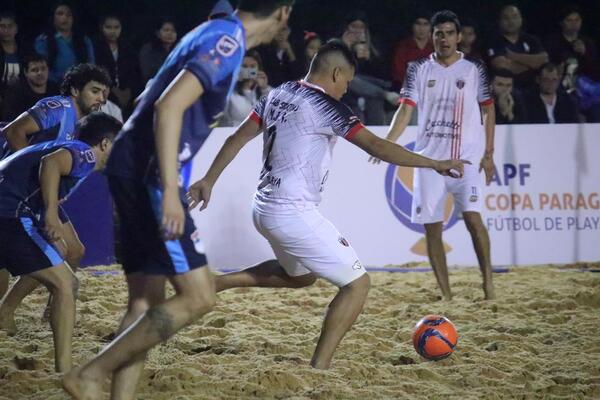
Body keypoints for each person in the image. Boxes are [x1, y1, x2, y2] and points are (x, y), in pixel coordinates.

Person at [187, 40, 466, 370]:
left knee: (300, 277)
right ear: (336, 73)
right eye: (347, 82)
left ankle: (217, 283)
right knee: (357, 285)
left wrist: (208, 179)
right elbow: (376, 147)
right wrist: (434, 163)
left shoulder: (277, 93)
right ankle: (319, 368)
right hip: (290, 211)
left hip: (263, 207)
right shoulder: (327, 106)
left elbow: (237, 138)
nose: (346, 89)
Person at [62, 2, 294, 399]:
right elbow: (169, 106)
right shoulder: (226, 40)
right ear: (283, 12)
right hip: (151, 175)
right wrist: (170, 189)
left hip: (132, 166)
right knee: (200, 296)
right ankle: (89, 374)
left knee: (143, 305)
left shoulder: (214, 31)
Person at [372, 10, 496, 301]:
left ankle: (488, 283)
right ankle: (447, 294)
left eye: (450, 33)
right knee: (432, 228)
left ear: (459, 36)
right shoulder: (418, 68)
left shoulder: (474, 68)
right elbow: (405, 109)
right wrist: (387, 143)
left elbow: (489, 109)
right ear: (432, 37)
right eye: (439, 33)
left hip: (467, 159)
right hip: (428, 160)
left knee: (474, 221)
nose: (444, 38)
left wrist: (488, 154)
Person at [0, 112, 121, 372]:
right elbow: (51, 163)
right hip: (9, 213)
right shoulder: (85, 155)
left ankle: (12, 310)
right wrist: (52, 214)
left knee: (65, 252)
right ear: (105, 144)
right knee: (67, 284)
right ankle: (65, 370)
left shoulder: (67, 147)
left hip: (11, 207)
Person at [0, 63, 110, 335]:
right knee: (56, 252)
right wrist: (30, 178)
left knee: (74, 250)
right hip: (15, 194)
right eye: (95, 91)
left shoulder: (79, 125)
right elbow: (14, 131)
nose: (101, 99)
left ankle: (52, 310)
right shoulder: (58, 106)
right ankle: (8, 311)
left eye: (104, 94)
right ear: (74, 90)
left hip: (34, 194)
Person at [486, 5, 548, 90]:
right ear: (499, 21)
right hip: (506, 89)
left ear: (521, 19)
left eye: (514, 17)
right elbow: (502, 66)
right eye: (506, 18)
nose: (511, 21)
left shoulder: (531, 40)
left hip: (533, 89)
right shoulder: (493, 41)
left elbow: (544, 60)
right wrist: (533, 64)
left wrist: (514, 56)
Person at [34, 3, 95, 83]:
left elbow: (91, 66)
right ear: (53, 17)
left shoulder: (85, 40)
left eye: (69, 14)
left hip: (80, 87)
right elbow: (40, 68)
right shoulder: (43, 40)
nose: (64, 17)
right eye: (60, 14)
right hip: (52, 87)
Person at [94, 14, 140, 116]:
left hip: (128, 93)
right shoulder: (96, 48)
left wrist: (128, 91)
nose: (112, 31)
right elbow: (99, 72)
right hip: (106, 93)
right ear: (101, 28)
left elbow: (134, 72)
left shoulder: (128, 48)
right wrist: (115, 91)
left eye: (116, 27)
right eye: (108, 27)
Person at [1, 53, 59, 121]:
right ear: (26, 72)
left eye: (43, 68)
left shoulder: (56, 90)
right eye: (34, 70)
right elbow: (9, 121)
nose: (40, 73)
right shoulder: (16, 94)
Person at [223, 50, 272, 126]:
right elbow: (222, 118)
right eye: (244, 66)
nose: (249, 70)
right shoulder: (228, 92)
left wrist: (264, 88)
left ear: (258, 69)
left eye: (252, 66)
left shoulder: (267, 91)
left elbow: (272, 115)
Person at [138, 18, 178, 85]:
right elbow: (147, 73)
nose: (170, 33)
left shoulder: (179, 49)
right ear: (158, 33)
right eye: (166, 30)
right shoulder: (148, 49)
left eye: (173, 31)